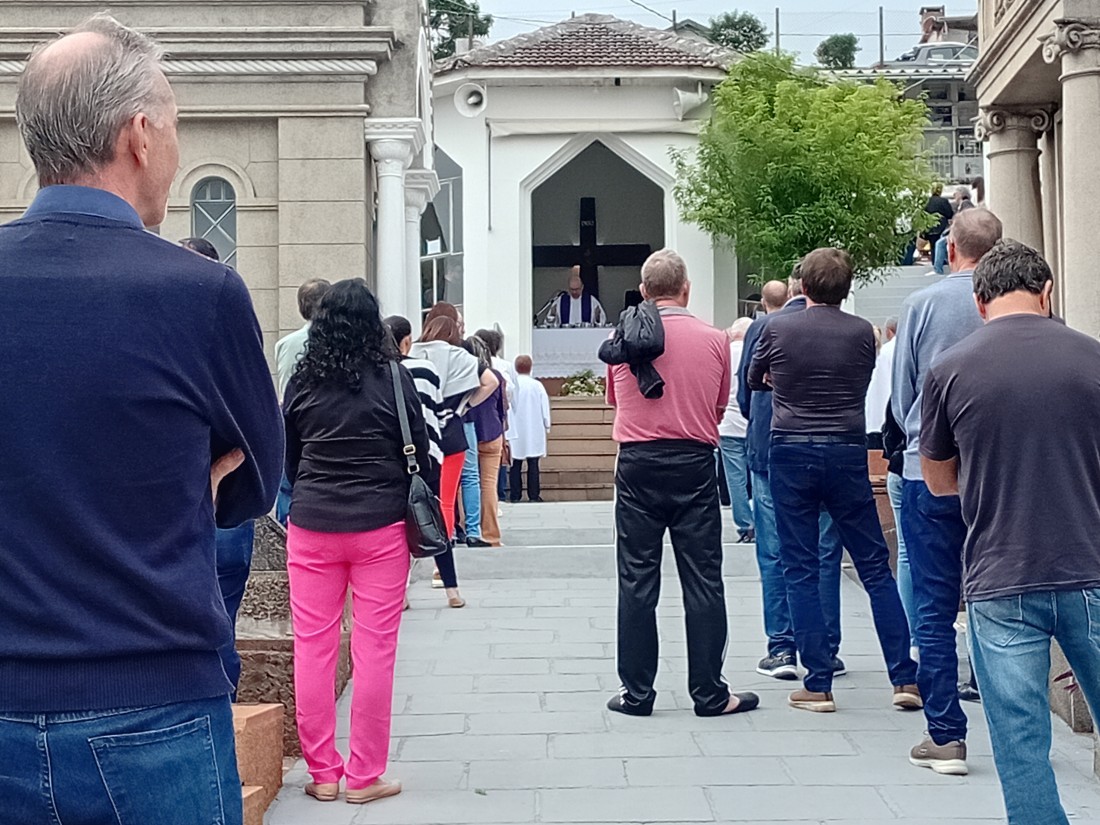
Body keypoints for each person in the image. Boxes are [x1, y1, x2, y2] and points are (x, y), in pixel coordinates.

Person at [0, 16, 283, 824]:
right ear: (138, 135)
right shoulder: (200, 293)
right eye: (175, 125)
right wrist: (185, 482)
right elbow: (257, 479)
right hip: (154, 705)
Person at [920, 240, 1100, 824]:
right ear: (1047, 292)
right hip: (1091, 564)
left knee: (1021, 745)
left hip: (1001, 572)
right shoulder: (1093, 357)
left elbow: (938, 481)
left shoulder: (948, 369)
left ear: (979, 302)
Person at [749, 248, 918, 715]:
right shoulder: (862, 332)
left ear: (803, 286)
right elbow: (861, 377)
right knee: (874, 566)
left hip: (791, 447)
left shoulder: (777, 328)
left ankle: (818, 683)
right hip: (845, 448)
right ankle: (904, 677)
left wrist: (782, 382)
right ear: (847, 289)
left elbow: (754, 379)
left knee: (799, 566)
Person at [284, 280, 428, 804]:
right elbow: (419, 446)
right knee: (375, 650)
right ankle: (365, 776)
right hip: (380, 525)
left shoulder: (302, 381)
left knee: (313, 647)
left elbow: (289, 456)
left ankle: (323, 772)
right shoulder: (392, 376)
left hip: (312, 525)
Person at [606, 249, 759, 718]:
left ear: (644, 291)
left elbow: (615, 400)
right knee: (704, 578)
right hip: (693, 462)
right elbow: (719, 405)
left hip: (637, 463)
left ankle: (636, 693)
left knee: (636, 579)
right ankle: (710, 693)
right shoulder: (714, 339)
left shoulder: (623, 338)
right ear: (686, 289)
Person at [892, 207, 1003, 775]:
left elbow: (903, 394)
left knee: (934, 608)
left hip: (928, 469)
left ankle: (945, 735)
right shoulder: (1013, 306)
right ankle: (1010, 728)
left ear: (951, 248)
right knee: (998, 601)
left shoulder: (923, 304)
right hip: (999, 473)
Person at [738, 276, 846, 681]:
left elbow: (746, 394)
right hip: (831, 449)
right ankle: (826, 648)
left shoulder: (765, 327)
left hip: (772, 449)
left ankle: (782, 646)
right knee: (824, 551)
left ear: (794, 286)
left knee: (774, 550)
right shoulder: (847, 327)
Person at [179, 235, 257, 699]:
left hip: (179, 503)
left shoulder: (156, 333)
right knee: (222, 620)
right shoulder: (230, 336)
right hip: (227, 501)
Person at [409, 317, 498, 602]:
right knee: (445, 501)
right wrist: (464, 405)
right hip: (450, 431)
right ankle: (443, 570)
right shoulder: (459, 356)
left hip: (420, 434)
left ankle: (407, 573)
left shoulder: (413, 354)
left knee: (411, 500)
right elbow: (491, 381)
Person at [273, 278, 332, 524]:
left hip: (291, 419)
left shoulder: (285, 344)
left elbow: (284, 386)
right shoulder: (337, 340)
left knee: (288, 484)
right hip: (326, 421)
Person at [465, 336, 507, 545]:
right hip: (492, 431)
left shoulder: (463, 376)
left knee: (466, 482)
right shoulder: (496, 376)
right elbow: (502, 408)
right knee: (489, 484)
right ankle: (492, 534)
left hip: (467, 429)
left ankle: (465, 528)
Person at [718, 317, 755, 543]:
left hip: (728, 423)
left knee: (735, 479)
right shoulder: (756, 351)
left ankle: (745, 525)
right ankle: (761, 521)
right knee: (758, 477)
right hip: (752, 423)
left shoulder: (722, 353)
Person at [474, 328, 518, 502]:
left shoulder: (473, 365)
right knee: (493, 467)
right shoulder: (504, 366)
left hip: (476, 415)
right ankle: (500, 494)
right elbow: (512, 391)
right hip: (497, 417)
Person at [507, 355, 551, 502]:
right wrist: (547, 423)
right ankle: (533, 495)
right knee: (533, 464)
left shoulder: (513, 385)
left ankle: (515, 495)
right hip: (534, 428)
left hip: (515, 429)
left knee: (515, 464)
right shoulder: (537, 385)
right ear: (530, 367)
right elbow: (544, 405)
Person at [864, 316, 897, 447]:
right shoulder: (900, 350)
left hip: (874, 419)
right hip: (892, 417)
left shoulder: (883, 353)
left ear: (888, 331)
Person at [922, 183, 954, 258]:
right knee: (941, 246)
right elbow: (949, 214)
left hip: (929, 227)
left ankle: (934, 261)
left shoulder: (926, 201)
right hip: (942, 227)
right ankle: (941, 261)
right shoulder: (944, 201)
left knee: (933, 246)